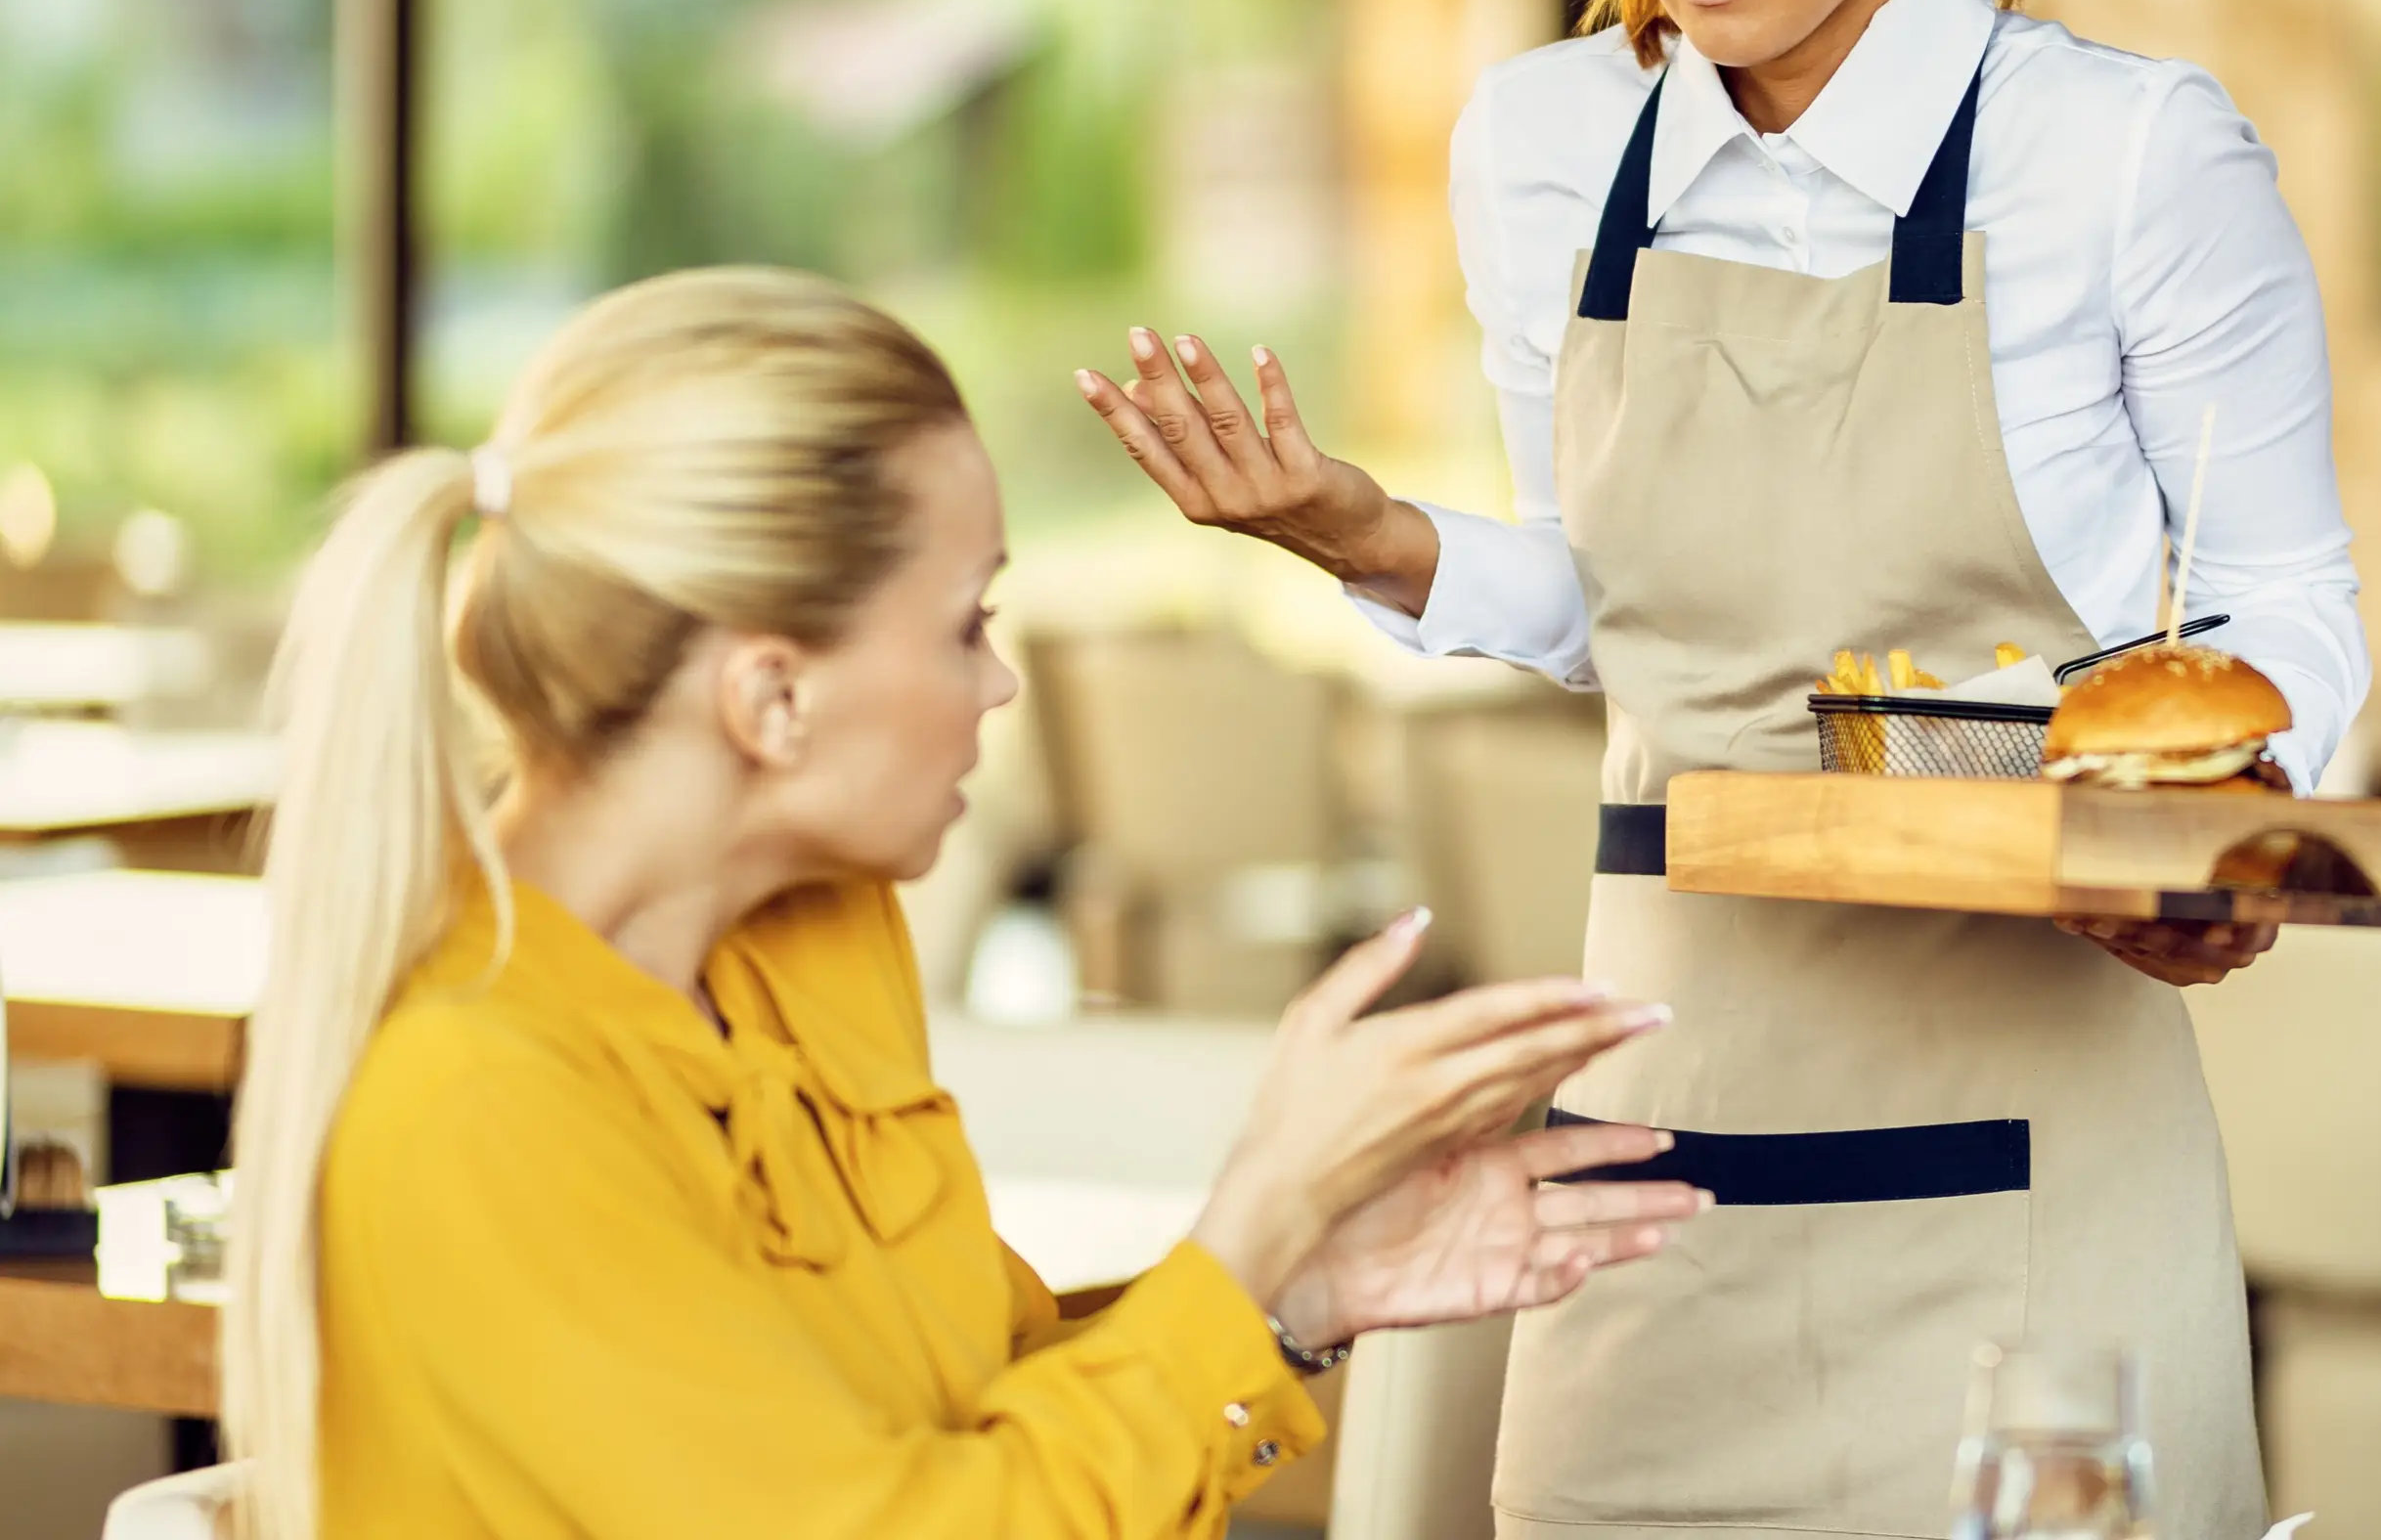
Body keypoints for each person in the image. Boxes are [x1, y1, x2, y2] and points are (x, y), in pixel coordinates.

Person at [1076, 0, 2363, 1540]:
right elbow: (1634, 620)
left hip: (2035, 1185)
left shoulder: (2121, 156)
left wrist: (2218, 834)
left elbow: (2288, 601)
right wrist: (1370, 540)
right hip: (1658, 1177)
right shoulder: (1546, 144)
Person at [226, 267, 1706, 1540]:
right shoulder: (480, 1107)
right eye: (965, 623)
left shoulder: (806, 945)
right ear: (773, 697)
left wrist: (1297, 1290)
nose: (1001, 684)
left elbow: (976, 1418)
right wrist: (1259, 1210)